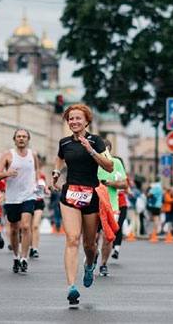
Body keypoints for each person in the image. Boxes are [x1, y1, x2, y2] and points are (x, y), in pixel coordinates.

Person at [50, 103, 115, 307]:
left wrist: (92, 151)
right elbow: (60, 159)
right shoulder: (64, 142)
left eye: (78, 118)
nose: (74, 122)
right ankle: (71, 287)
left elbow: (109, 166)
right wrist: (56, 172)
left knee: (89, 244)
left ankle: (89, 264)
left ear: (87, 121)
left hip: (91, 195)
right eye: (70, 119)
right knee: (71, 239)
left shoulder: (96, 141)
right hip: (70, 193)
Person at [0, 128, 40, 274]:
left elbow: (37, 170)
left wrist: (39, 186)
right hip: (12, 198)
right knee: (14, 229)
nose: (21, 139)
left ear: (28, 139)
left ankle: (24, 258)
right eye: (19, 136)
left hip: (28, 195)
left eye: (24, 136)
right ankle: (15, 256)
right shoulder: (8, 155)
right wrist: (7, 173)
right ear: (14, 139)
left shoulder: (33, 154)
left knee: (26, 226)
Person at [96, 138, 127, 276]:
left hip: (111, 206)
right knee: (92, 238)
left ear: (110, 150)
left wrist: (110, 183)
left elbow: (124, 184)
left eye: (106, 149)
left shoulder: (116, 163)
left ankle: (103, 264)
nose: (104, 152)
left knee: (108, 237)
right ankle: (92, 256)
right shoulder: (92, 162)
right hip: (94, 204)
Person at [30, 171, 50, 258]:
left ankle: (35, 249)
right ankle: (30, 246)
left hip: (39, 203)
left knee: (35, 226)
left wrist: (47, 190)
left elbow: (44, 188)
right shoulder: (26, 174)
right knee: (28, 227)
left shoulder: (42, 175)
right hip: (28, 202)